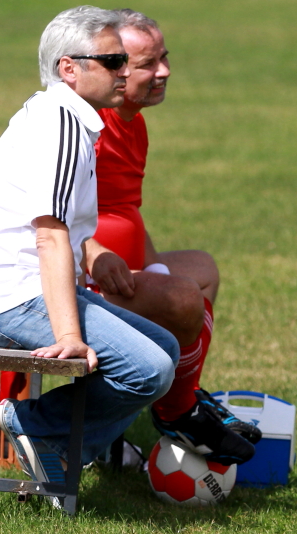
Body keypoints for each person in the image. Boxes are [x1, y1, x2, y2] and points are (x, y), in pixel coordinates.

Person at [0, 6, 181, 495]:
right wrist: (69, 335)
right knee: (150, 369)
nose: (124, 71)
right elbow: (48, 235)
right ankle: (35, 427)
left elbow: (64, 229)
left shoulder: (69, 118)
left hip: (26, 289)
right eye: (112, 61)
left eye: (125, 60)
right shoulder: (60, 124)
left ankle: (57, 449)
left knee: (166, 348)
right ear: (68, 68)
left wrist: (95, 253)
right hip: (4, 299)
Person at [85, 9, 262, 457]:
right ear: (115, 69)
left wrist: (154, 268)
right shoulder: (90, 128)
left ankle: (178, 401)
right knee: (183, 299)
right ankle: (179, 414)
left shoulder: (133, 122)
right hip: (79, 281)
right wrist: (94, 256)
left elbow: (125, 211)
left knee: (201, 269)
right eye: (149, 64)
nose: (164, 71)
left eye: (164, 58)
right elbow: (49, 217)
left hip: (121, 272)